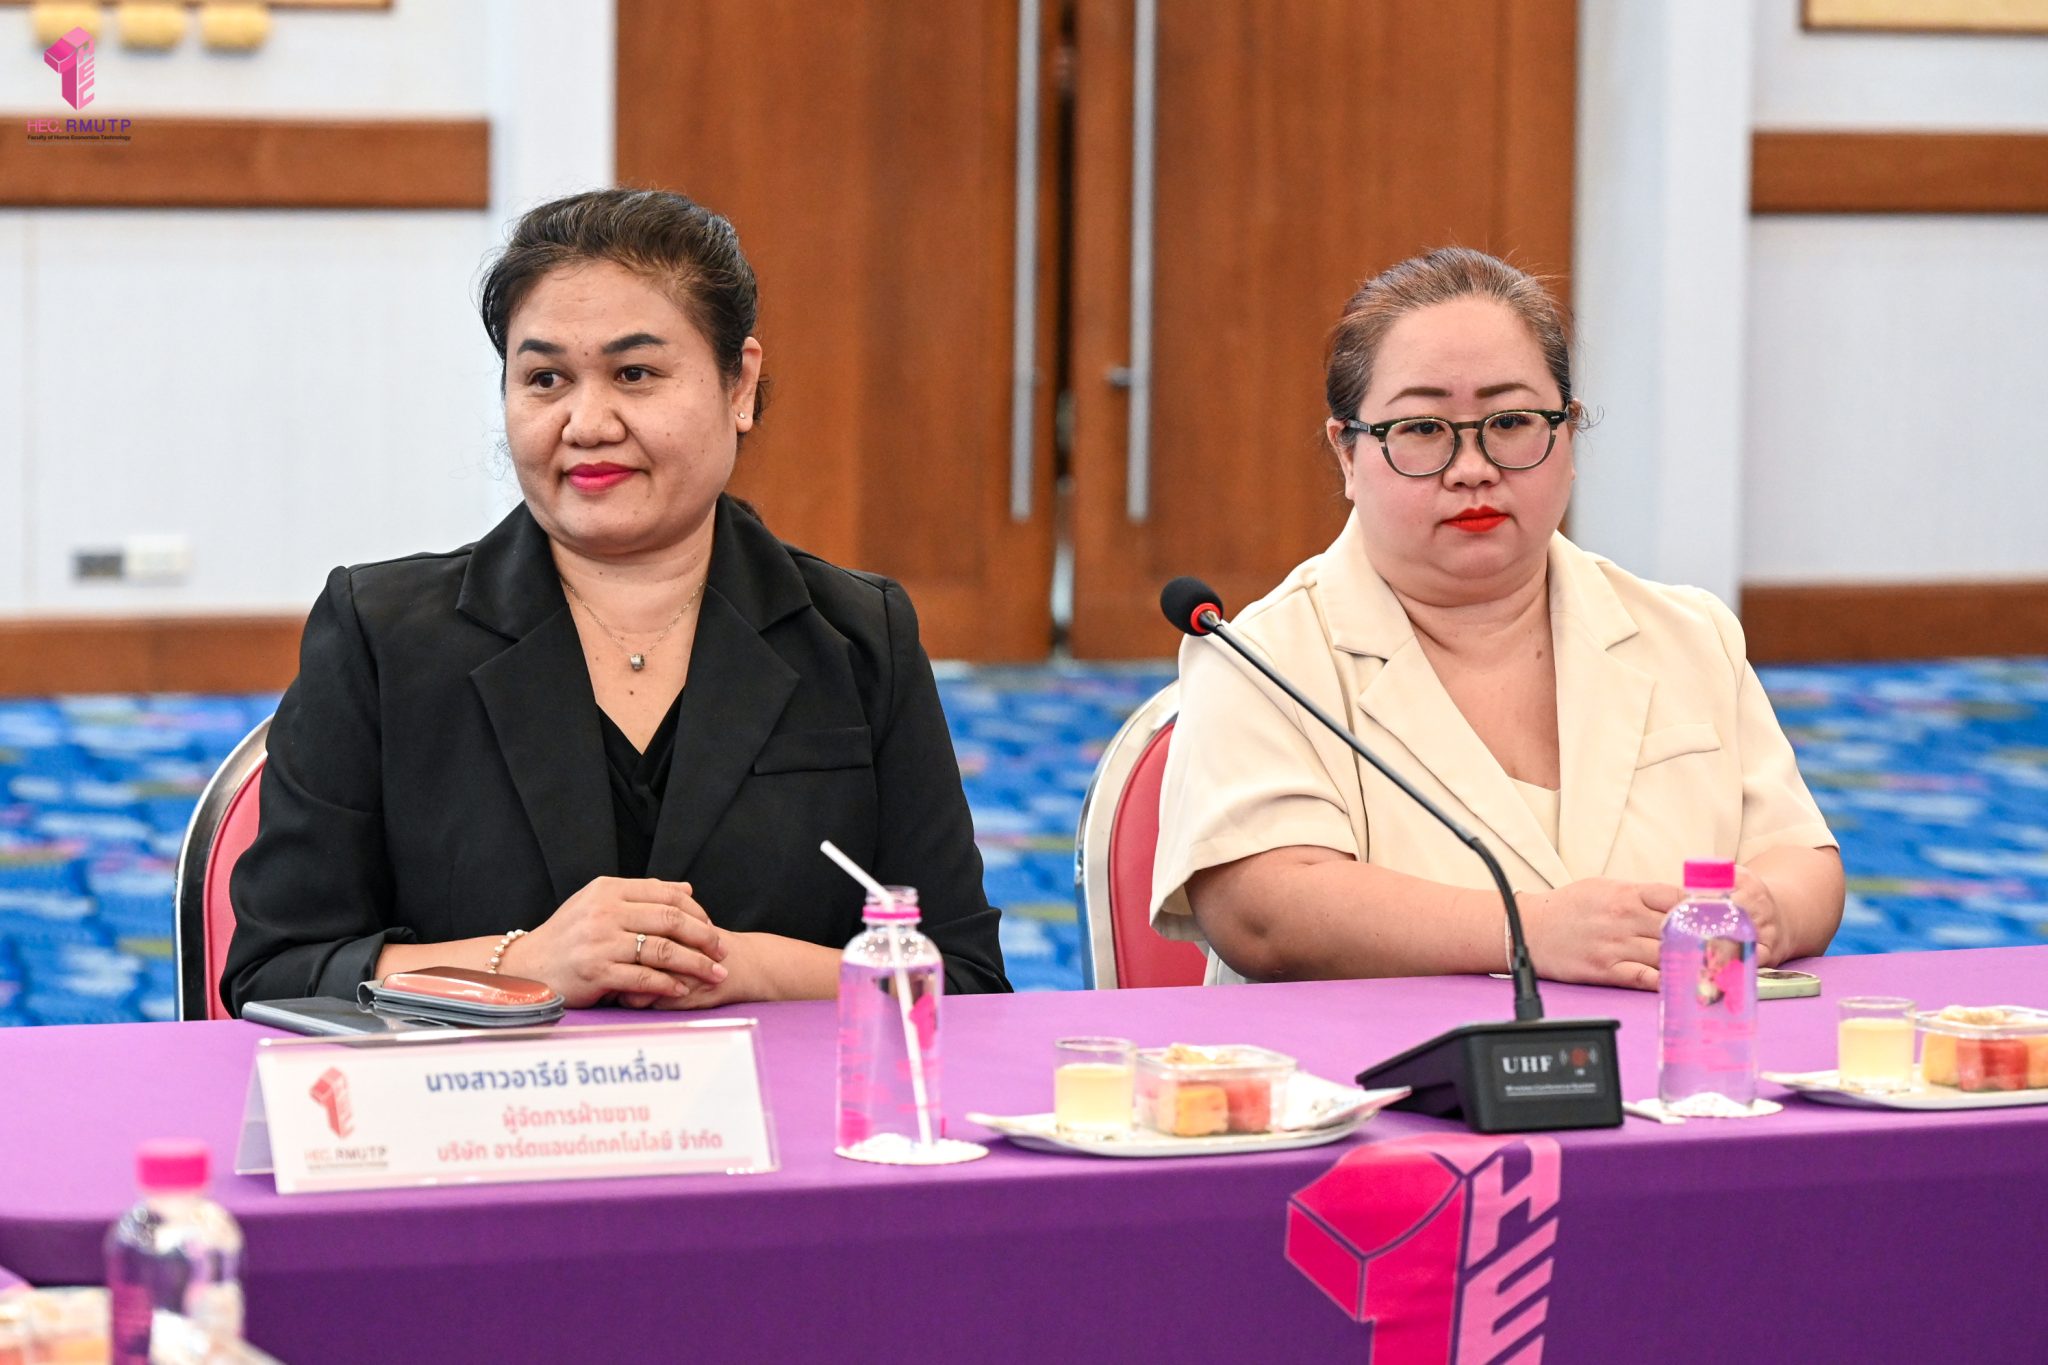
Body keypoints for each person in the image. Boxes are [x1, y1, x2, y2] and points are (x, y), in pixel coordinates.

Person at [222, 188, 1008, 1014]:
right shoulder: (381, 635)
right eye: (546, 379)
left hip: (782, 1097)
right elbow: (278, 972)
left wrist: (745, 967)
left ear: (739, 384)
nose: (587, 422)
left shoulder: (858, 636)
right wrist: (522, 962)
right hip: (481, 1095)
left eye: (635, 374)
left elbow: (965, 981)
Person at [1151, 247, 1842, 990]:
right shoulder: (1262, 656)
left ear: (1569, 435)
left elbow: (1801, 857)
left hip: (1675, 1052)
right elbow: (1262, 910)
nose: (1473, 467)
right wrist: (1529, 931)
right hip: (1383, 1060)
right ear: (1348, 453)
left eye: (1510, 421)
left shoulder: (1689, 632)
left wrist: (1769, 909)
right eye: (1423, 428)